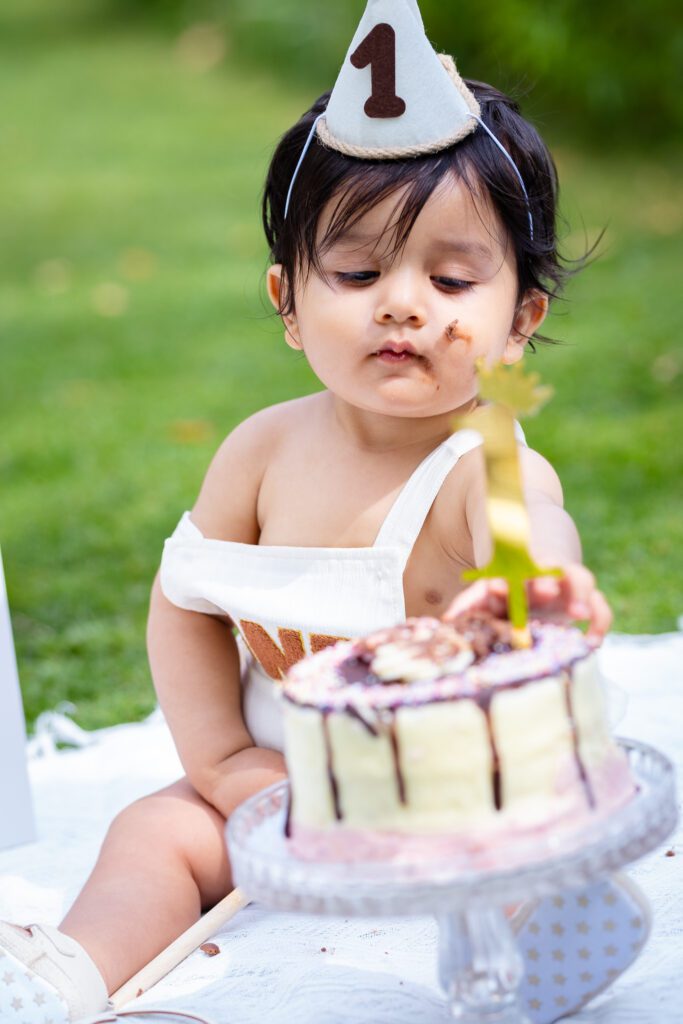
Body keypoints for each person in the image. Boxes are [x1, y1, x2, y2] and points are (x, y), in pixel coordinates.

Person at [0, 6, 648, 1023]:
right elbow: (184, 606)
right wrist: (219, 762)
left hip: (444, 786)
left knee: (515, 836)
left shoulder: (483, 462)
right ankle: (73, 967)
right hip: (286, 786)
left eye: (448, 276)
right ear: (288, 304)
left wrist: (538, 585)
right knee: (152, 832)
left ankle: (536, 938)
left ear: (519, 319)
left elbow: (527, 543)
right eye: (354, 272)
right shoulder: (260, 449)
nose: (398, 303)